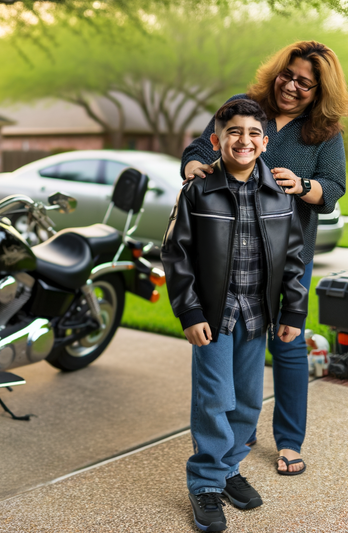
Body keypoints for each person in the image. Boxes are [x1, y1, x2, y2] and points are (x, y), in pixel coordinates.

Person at [181, 41, 348, 475]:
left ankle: (289, 440)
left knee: (287, 342)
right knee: (238, 335)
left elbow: (333, 188)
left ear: (320, 91)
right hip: (230, 254)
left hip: (289, 253)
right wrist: (193, 169)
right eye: (287, 75)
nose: (291, 86)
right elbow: (201, 148)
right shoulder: (245, 108)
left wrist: (302, 184)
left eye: (304, 83)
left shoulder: (325, 131)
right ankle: (241, 425)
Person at [161, 98, 308, 532]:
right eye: (234, 132)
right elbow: (176, 254)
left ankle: (228, 469)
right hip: (213, 314)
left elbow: (294, 257)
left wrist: (294, 311)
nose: (243, 140)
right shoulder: (197, 190)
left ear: (264, 142)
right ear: (216, 140)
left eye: (252, 133)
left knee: (246, 400)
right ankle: (205, 483)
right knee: (214, 399)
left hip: (257, 314)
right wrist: (189, 311)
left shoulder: (280, 192)